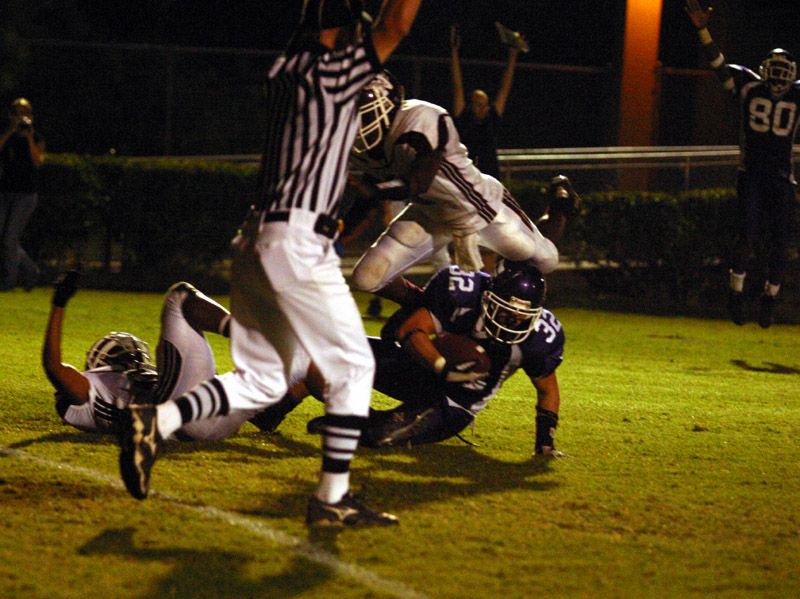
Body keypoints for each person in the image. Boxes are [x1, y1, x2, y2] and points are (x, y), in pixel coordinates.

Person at [115, 0, 422, 528]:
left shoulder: (286, 72)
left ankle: (156, 420)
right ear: (342, 28)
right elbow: (397, 23)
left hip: (258, 237)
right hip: (299, 240)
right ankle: (331, 499)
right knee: (353, 366)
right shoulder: (333, 71)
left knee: (264, 380)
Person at [260, 260, 567, 457]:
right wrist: (441, 366)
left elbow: (547, 389)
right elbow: (411, 330)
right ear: (488, 296)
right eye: (505, 310)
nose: (512, 322)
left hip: (456, 403)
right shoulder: (462, 293)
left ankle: (355, 423)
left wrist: (545, 444)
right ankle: (286, 405)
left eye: (520, 316)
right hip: (422, 370)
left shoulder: (540, 337)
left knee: (380, 439)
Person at [348, 69, 580, 308]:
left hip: (479, 207)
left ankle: (560, 205)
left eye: (363, 116)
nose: (356, 126)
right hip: (430, 213)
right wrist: (335, 231)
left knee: (546, 260)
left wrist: (375, 191)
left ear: (389, 105)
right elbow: (364, 204)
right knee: (366, 277)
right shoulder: (364, 150)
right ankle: (433, 309)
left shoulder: (419, 117)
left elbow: (419, 180)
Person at [43, 271, 306, 441]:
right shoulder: (93, 389)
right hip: (179, 415)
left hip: (211, 417)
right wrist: (59, 304)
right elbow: (54, 367)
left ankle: (334, 416)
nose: (134, 358)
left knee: (307, 357)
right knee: (179, 297)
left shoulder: (138, 382)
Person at [685, 0, 800, 328]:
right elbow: (718, 64)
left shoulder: (794, 95)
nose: (778, 76)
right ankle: (736, 294)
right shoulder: (749, 86)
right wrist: (702, 29)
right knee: (747, 235)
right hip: (752, 174)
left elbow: (719, 65)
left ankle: (769, 298)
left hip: (780, 177)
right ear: (765, 70)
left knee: (781, 241)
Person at [449, 23, 527, 179]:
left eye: (484, 105)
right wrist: (454, 51)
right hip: (466, 177)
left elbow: (505, 87)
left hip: (489, 177)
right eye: (477, 104)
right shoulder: (463, 117)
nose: (482, 108)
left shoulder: (492, 117)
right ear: (470, 105)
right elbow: (457, 86)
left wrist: (513, 56)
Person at [0, 98, 44, 291]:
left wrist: (28, 136)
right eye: (18, 113)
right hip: (5, 191)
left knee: (9, 240)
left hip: (25, 195)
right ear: (12, 115)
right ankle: (31, 271)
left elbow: (37, 161)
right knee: (5, 240)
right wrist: (11, 131)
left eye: (26, 113)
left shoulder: (35, 136)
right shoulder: (7, 135)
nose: (22, 116)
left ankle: (8, 282)